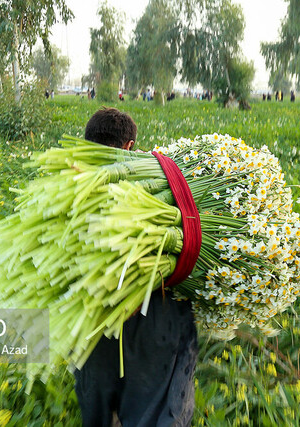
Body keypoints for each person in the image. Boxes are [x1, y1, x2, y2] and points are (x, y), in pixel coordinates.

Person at [75, 107, 198, 427]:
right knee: (154, 411)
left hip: (93, 320)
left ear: (86, 142)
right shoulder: (163, 184)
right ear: (130, 147)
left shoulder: (70, 185)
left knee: (99, 408)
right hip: (154, 320)